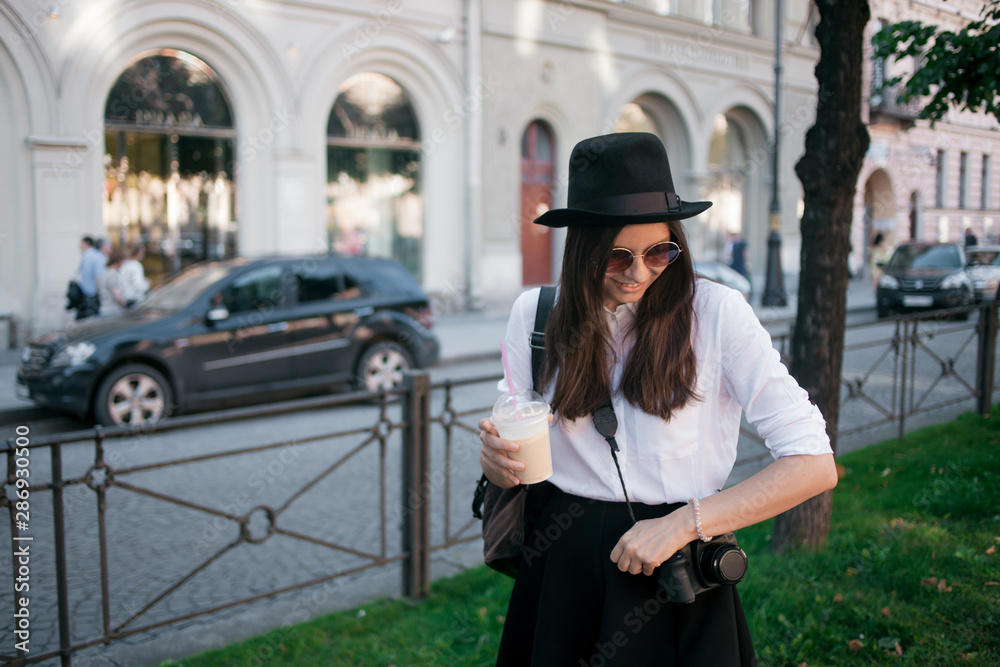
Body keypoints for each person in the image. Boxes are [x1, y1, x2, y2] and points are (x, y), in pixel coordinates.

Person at [478, 132, 837, 665]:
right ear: (582, 249)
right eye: (616, 256)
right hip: (561, 561)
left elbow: (814, 463)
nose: (640, 271)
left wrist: (683, 523)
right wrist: (497, 463)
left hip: (675, 562)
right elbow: (516, 429)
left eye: (660, 251)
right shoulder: (536, 315)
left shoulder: (718, 314)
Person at [75, 236, 106, 320]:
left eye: (81, 243)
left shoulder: (93, 256)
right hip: (89, 293)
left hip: (90, 293)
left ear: (87, 243)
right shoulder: (91, 256)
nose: (80, 246)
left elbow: (98, 277)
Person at [96, 249, 127, 317]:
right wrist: (123, 305)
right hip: (113, 310)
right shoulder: (114, 275)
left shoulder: (104, 273)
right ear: (118, 261)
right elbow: (117, 293)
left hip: (103, 308)